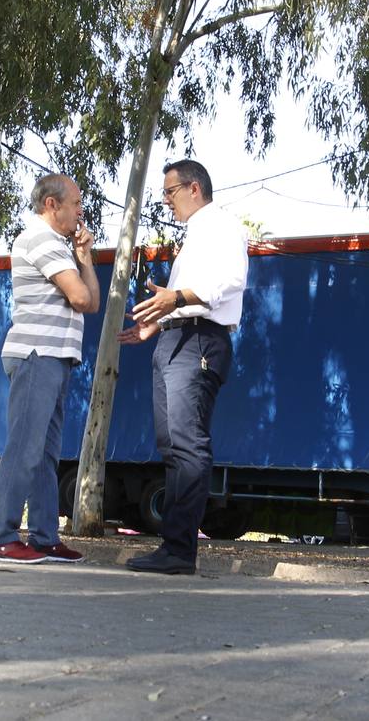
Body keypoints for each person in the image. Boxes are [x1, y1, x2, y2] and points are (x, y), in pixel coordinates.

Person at [120, 160, 248, 574]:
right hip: (175, 339)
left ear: (194, 188)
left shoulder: (223, 225)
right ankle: (172, 547)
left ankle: (180, 551)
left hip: (199, 342)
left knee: (188, 444)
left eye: (170, 193)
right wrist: (156, 325)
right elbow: (178, 301)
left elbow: (231, 281)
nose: (166, 202)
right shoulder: (194, 236)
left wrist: (175, 299)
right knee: (171, 444)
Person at [0, 174, 99, 565]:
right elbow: (81, 296)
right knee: (24, 449)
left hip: (56, 355)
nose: (81, 210)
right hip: (36, 354)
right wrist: (78, 270)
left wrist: (84, 257)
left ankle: (45, 538)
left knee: (46, 454)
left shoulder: (62, 247)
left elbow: (93, 301)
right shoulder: (39, 239)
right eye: (76, 203)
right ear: (52, 204)